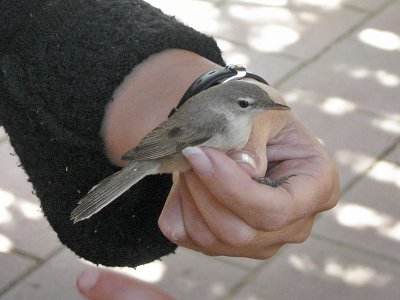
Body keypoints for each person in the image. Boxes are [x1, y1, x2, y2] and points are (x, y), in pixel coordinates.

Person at [0, 0, 339, 298]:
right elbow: (171, 140)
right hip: (162, 154)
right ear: (231, 106)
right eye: (247, 105)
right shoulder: (214, 122)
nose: (255, 111)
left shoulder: (234, 119)